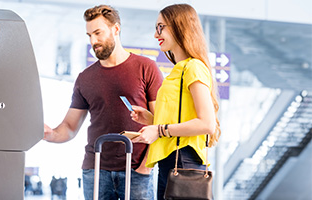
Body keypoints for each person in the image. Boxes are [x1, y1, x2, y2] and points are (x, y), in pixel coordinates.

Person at [44, 5, 163, 200]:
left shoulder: (146, 68)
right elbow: (69, 127)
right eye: (89, 35)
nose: (93, 41)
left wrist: (145, 168)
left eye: (98, 33)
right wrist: (48, 134)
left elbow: (160, 123)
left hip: (136, 170)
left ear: (116, 29)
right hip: (95, 169)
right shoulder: (85, 78)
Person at [130, 4, 221, 199]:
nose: (156, 34)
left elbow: (207, 123)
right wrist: (152, 120)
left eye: (160, 27)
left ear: (179, 26)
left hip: (184, 163)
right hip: (172, 163)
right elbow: (182, 118)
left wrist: (159, 130)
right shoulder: (179, 70)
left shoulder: (193, 67)